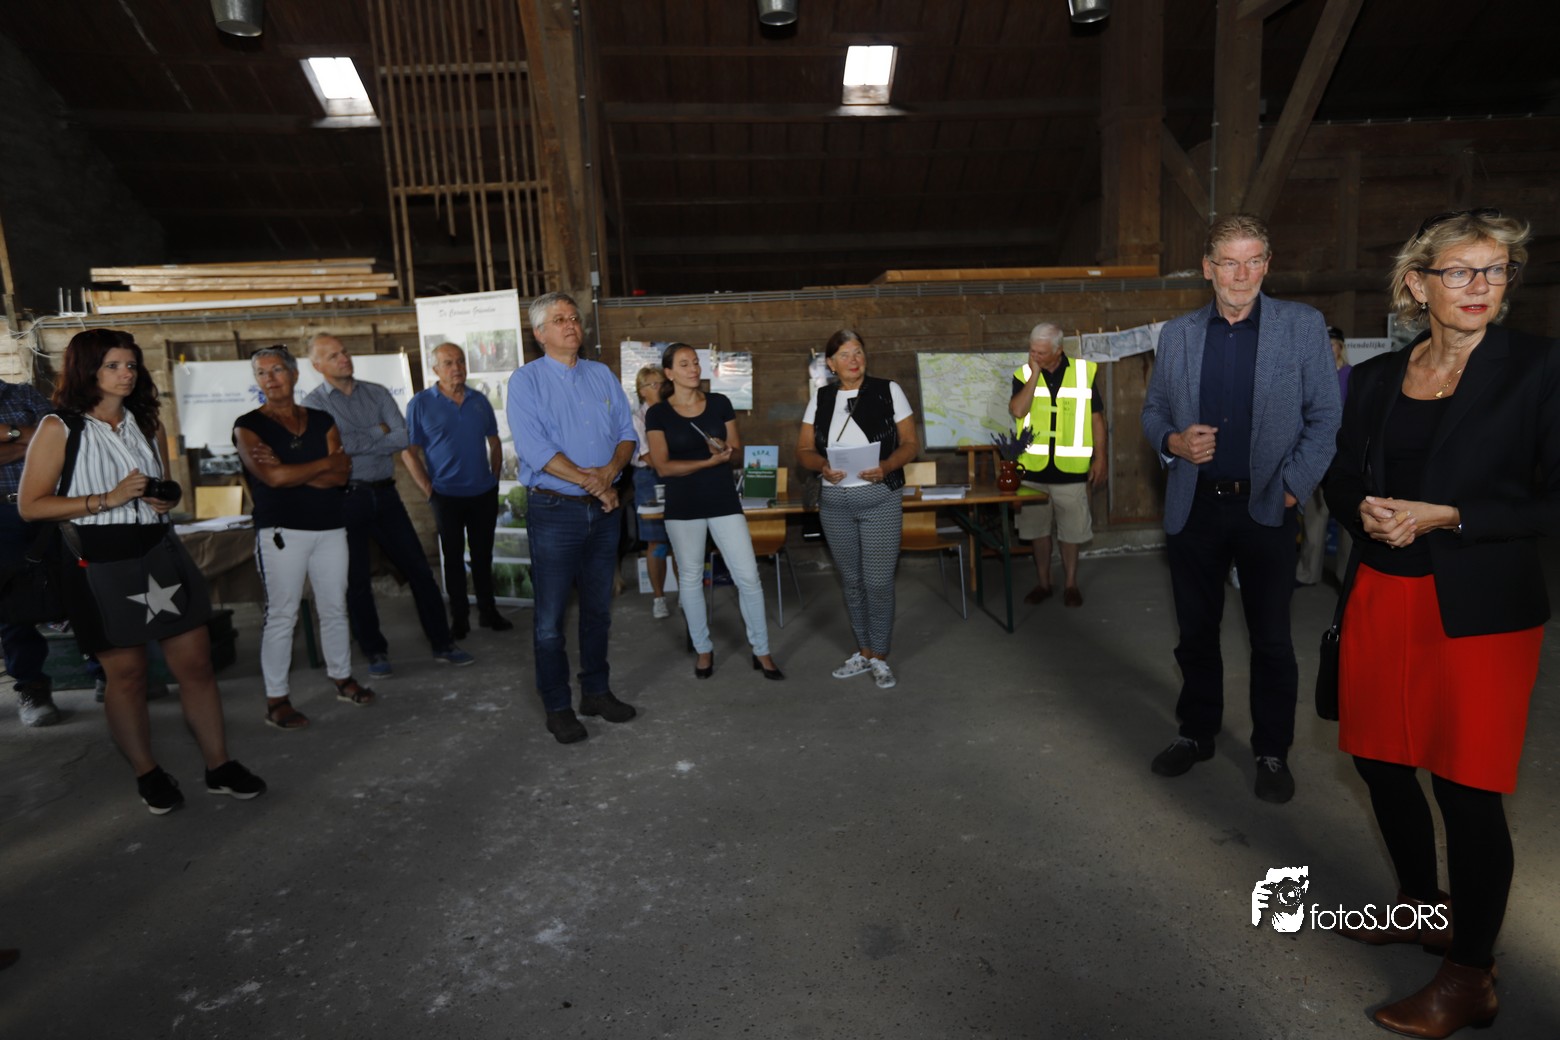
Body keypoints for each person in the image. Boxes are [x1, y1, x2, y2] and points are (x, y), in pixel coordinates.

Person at [1323, 209, 1555, 1037]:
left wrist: (1451, 515)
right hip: (1383, 594)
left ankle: (1469, 978)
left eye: (1495, 270)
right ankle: (1423, 907)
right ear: (1418, 285)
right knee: (1381, 763)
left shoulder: (1538, 369)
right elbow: (1341, 475)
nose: (1480, 286)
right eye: (1459, 271)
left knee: (1466, 788)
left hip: (1480, 612)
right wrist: (1363, 510)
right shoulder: (1379, 377)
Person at [18, 328, 264, 814]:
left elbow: (163, 487)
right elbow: (31, 505)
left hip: (158, 551)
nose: (125, 374)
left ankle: (219, 765)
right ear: (87, 369)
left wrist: (164, 497)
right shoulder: (58, 427)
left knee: (196, 664)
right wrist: (106, 499)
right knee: (127, 675)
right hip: (97, 559)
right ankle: (147, 772)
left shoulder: (147, 422)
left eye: (130, 365)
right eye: (113, 365)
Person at [1139, 214, 1340, 803]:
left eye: (1254, 261)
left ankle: (1271, 750)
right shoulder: (1178, 334)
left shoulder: (1301, 326)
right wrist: (1173, 442)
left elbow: (1326, 418)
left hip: (1266, 508)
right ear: (1208, 269)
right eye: (1229, 262)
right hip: (1195, 506)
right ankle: (1196, 732)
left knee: (1271, 639)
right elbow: (1153, 411)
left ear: (1268, 265)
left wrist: (1292, 487)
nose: (1242, 274)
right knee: (1195, 635)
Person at [506, 292, 638, 744]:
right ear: (539, 334)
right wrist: (596, 483)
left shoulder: (601, 374)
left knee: (598, 609)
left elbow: (626, 435)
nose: (570, 325)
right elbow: (535, 450)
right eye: (559, 319)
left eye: (574, 318)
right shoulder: (526, 381)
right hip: (555, 511)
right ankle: (557, 705)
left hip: (603, 511)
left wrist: (610, 473)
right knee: (550, 618)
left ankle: (596, 692)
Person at [302, 333, 474, 676]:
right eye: (333, 355)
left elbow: (402, 436)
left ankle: (443, 643)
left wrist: (359, 440)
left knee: (420, 571)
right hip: (346, 498)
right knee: (357, 581)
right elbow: (333, 450)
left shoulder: (377, 392)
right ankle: (375, 652)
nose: (344, 358)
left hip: (386, 495)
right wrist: (377, 432)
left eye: (344, 351)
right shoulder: (314, 405)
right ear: (317, 366)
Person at [233, 345, 367, 730]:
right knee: (282, 614)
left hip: (330, 527)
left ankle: (342, 677)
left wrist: (296, 471)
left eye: (277, 370)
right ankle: (276, 700)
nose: (270, 378)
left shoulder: (322, 420)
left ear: (294, 374)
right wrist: (323, 465)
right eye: (261, 373)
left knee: (334, 607)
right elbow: (273, 478)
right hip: (281, 531)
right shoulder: (248, 426)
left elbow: (341, 476)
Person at [645, 343, 783, 681]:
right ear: (669, 373)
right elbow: (663, 466)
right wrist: (706, 462)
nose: (693, 368)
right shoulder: (658, 414)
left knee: (748, 576)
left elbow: (736, 451)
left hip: (723, 499)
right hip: (683, 505)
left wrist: (722, 449)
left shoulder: (720, 402)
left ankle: (762, 650)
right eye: (684, 364)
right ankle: (703, 649)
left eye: (696, 362)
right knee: (691, 579)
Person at [796, 330, 918, 690]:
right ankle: (863, 650)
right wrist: (821, 466)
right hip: (834, 504)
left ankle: (879, 655)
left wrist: (888, 465)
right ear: (830, 364)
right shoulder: (822, 397)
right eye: (845, 355)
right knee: (851, 582)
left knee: (878, 583)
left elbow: (911, 443)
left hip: (880, 499)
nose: (854, 360)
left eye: (859, 352)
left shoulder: (888, 390)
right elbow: (803, 450)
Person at [403, 343, 513, 640]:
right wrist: (429, 490)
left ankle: (488, 612)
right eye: (449, 363)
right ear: (435, 370)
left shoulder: (479, 400)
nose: (457, 368)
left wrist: (494, 478)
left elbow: (495, 441)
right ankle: (460, 618)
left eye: (461, 361)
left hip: (482, 494)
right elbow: (408, 453)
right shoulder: (420, 404)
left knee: (483, 557)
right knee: (452, 560)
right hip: (446, 496)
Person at [1007, 321, 1107, 607]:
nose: (1034, 356)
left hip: (1071, 471)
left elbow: (1097, 419)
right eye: (1032, 350)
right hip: (1032, 471)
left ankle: (1071, 584)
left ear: (1058, 350)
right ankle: (1044, 583)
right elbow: (1018, 410)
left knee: (1071, 532)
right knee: (1037, 531)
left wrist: (1100, 457)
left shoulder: (1083, 374)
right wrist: (1035, 375)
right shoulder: (1023, 374)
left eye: (1041, 352)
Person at [0, 374, 60, 726]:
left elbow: (59, 441)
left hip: (47, 507)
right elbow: (41, 442)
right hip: (1, 516)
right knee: (12, 606)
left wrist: (6, 434)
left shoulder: (24, 394)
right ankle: (32, 686)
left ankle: (105, 673)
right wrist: (26, 439)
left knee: (76, 589)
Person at [1295, 326, 1353, 586]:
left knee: (1347, 522)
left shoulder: (1351, 376)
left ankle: (1346, 576)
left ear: (1340, 348)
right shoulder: (1311, 378)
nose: (1328, 350)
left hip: (1342, 457)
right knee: (1313, 518)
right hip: (1315, 455)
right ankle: (1308, 572)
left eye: (1332, 345)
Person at [630, 365, 673, 619]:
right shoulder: (637, 419)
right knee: (656, 541)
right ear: (642, 391)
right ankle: (659, 598)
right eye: (653, 385)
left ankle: (687, 596)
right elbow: (647, 455)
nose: (659, 389)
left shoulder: (673, 412)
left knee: (680, 538)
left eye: (662, 384)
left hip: (673, 474)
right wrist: (677, 469)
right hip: (649, 478)